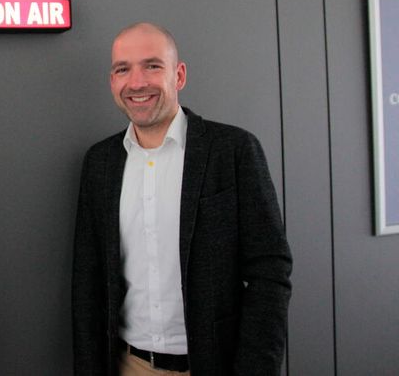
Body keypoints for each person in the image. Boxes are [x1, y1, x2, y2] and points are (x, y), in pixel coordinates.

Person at [72, 22, 292, 376]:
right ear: (112, 81)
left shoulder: (233, 151)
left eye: (152, 66)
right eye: (122, 69)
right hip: (130, 366)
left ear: (180, 75)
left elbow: (270, 272)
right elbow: (88, 281)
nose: (137, 82)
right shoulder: (100, 163)